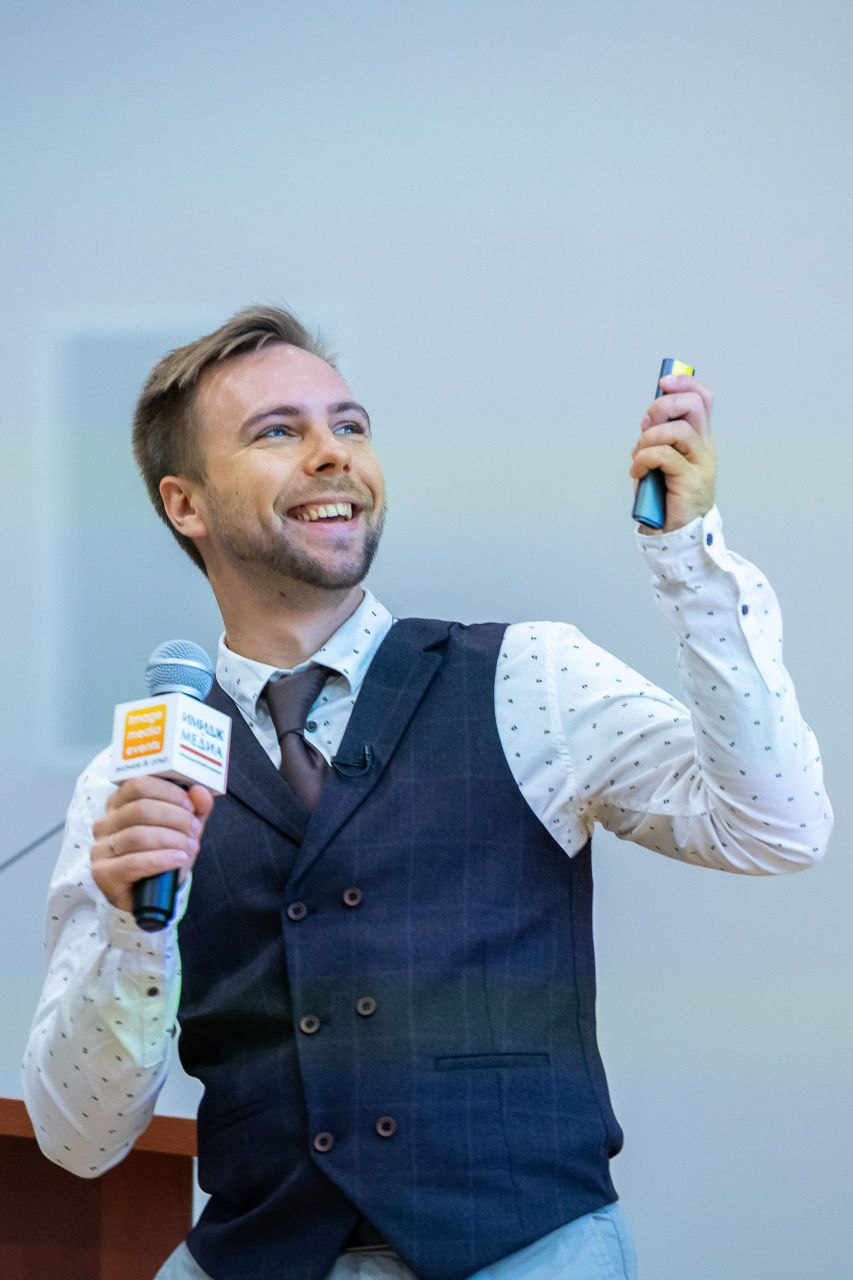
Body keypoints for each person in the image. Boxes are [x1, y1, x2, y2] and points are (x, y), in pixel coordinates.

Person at [22, 306, 832, 1280]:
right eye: (278, 431)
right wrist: (131, 931)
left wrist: (689, 558)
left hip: (525, 1253)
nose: (333, 453)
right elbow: (79, 1139)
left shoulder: (530, 676)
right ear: (184, 503)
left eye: (349, 425)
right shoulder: (136, 781)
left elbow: (777, 826)